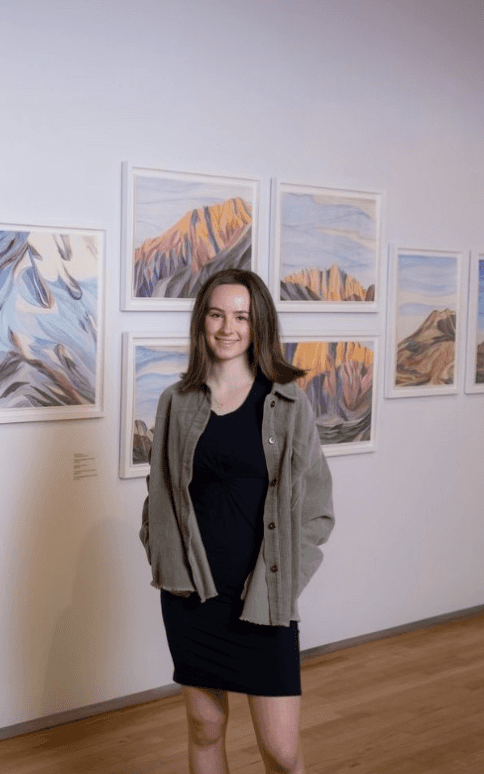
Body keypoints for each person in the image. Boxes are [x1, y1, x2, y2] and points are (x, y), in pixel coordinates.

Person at [140, 268, 334, 774]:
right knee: (204, 728)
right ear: (202, 322)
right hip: (192, 598)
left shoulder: (288, 401)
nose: (228, 328)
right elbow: (159, 495)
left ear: (258, 324)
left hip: (263, 600)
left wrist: (285, 580)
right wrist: (163, 558)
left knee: (282, 751)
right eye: (217, 315)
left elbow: (317, 508)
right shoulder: (175, 401)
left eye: (242, 317)